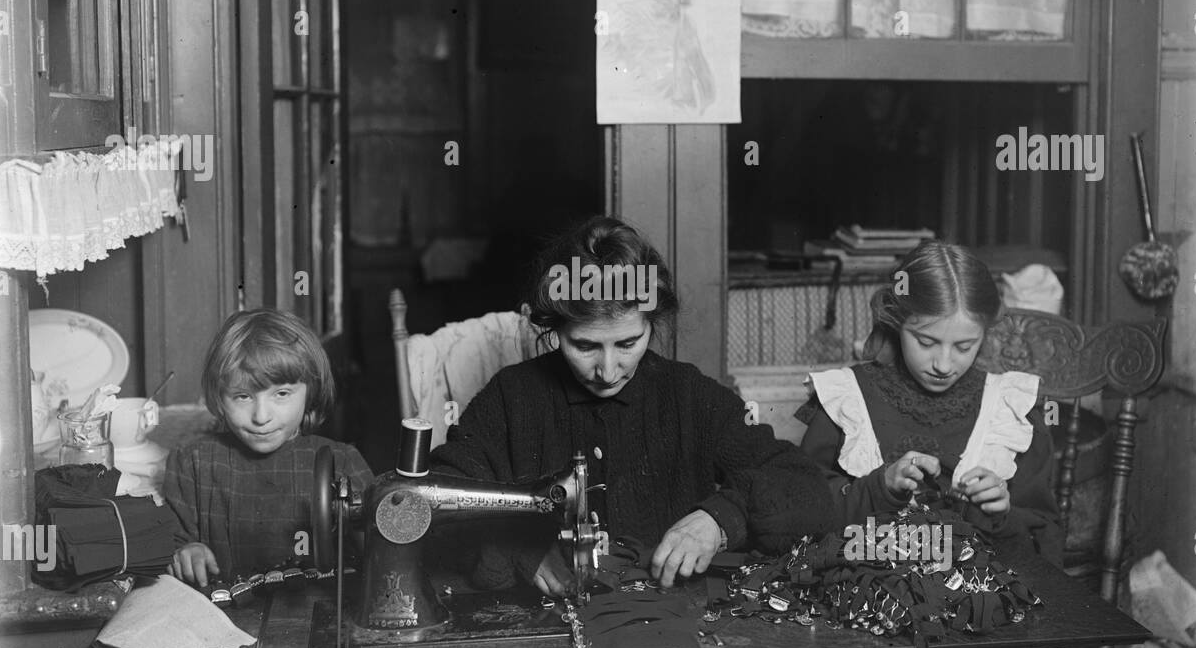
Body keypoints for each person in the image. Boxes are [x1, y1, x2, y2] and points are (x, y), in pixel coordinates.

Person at [429, 215, 840, 596]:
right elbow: (435, 505)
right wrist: (518, 549)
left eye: (627, 343)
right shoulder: (510, 398)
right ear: (553, 328)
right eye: (584, 345)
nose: (607, 371)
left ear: (652, 323)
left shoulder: (689, 396)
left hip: (672, 620)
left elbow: (808, 490)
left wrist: (721, 520)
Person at [797, 241, 1061, 561]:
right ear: (896, 320)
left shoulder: (1011, 411)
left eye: (964, 346)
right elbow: (801, 514)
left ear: (985, 333)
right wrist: (880, 488)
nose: (943, 364)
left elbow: (1045, 541)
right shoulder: (847, 399)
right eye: (926, 342)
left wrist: (1000, 512)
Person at [164, 309, 374, 587]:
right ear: (218, 397)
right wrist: (185, 552)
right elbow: (169, 539)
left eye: (282, 394)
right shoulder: (192, 463)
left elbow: (375, 548)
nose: (261, 417)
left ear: (310, 391)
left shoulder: (342, 462)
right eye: (242, 396)